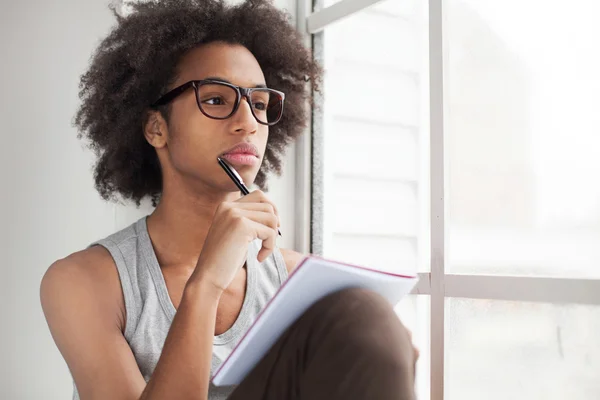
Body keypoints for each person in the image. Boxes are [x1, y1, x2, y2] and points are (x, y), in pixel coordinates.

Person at [40, 0, 418, 399]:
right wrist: (205, 284)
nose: (249, 122)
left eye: (258, 104)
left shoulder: (299, 281)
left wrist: (378, 347)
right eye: (217, 99)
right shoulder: (85, 282)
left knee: (366, 316)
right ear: (156, 127)